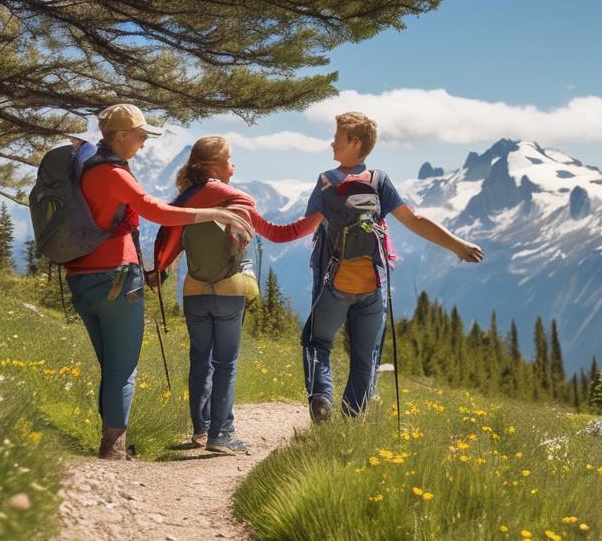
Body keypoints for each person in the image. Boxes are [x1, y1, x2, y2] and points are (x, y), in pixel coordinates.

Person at [252, 111, 484, 422]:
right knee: (366, 358)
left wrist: (252, 218)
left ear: (355, 143)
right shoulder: (379, 181)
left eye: (337, 137)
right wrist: (459, 245)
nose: (332, 142)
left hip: (335, 283)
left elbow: (295, 231)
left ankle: (322, 397)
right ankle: (350, 422)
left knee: (316, 341)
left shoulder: (326, 184)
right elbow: (414, 221)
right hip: (372, 285)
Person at [65, 104, 251, 460]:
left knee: (111, 363)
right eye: (139, 135)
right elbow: (155, 210)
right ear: (119, 135)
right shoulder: (112, 173)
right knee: (123, 368)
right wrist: (213, 212)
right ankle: (113, 449)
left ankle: (112, 441)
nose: (143, 143)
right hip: (116, 276)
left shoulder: (87, 171)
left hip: (81, 275)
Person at [151, 135, 261, 454]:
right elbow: (240, 250)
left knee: (200, 359)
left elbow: (170, 245)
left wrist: (159, 269)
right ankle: (221, 434)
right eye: (229, 159)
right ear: (214, 165)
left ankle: (200, 430)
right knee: (225, 362)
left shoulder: (185, 202)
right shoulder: (233, 204)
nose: (233, 165)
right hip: (228, 290)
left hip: (194, 293)